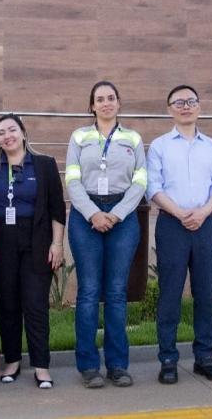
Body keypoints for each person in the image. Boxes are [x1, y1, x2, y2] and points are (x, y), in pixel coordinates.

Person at [65, 80, 147, 389]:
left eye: (111, 98)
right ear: (92, 106)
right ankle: (88, 366)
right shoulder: (79, 137)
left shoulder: (133, 138)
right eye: (100, 99)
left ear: (119, 103)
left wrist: (116, 214)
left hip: (122, 216)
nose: (106, 103)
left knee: (116, 293)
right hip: (86, 214)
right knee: (88, 292)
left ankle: (117, 366)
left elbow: (140, 181)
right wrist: (93, 214)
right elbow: (72, 179)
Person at [146, 84, 212, 385]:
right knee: (170, 294)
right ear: (169, 109)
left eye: (191, 101)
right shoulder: (159, 146)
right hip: (172, 225)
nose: (185, 106)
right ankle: (168, 359)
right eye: (178, 102)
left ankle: (204, 357)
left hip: (205, 224)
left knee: (205, 293)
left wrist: (204, 212)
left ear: (199, 107)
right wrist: (181, 214)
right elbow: (152, 187)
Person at [0, 114, 66, 390]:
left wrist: (57, 243)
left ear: (23, 132)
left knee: (35, 305)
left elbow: (57, 208)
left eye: (12, 130)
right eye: (1, 132)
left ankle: (41, 366)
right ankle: (12, 361)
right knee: (7, 304)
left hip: (37, 241)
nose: (7, 136)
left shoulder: (44, 165)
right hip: (2, 243)